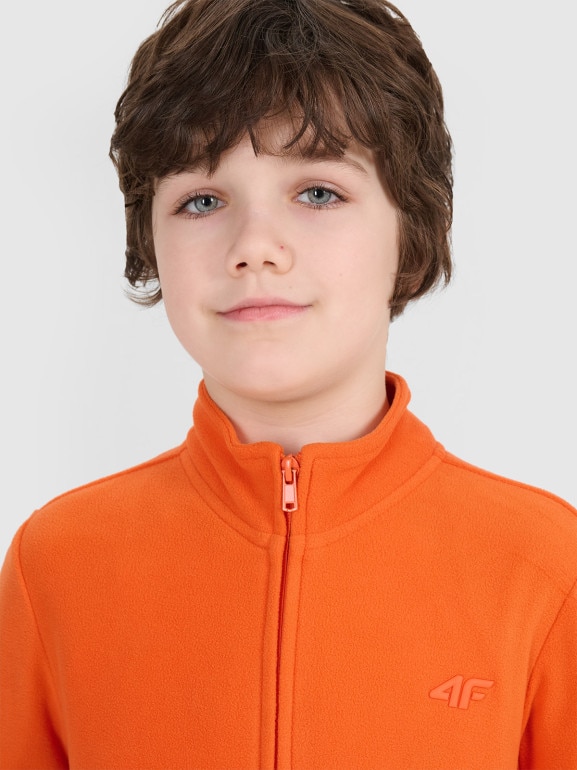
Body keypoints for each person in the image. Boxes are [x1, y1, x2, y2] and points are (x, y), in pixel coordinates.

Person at [0, 0, 575, 767]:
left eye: (318, 193)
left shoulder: (544, 566)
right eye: (202, 200)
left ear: (410, 232)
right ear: (151, 245)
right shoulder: (55, 565)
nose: (255, 247)